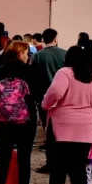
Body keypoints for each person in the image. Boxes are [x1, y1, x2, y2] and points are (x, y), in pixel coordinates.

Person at [42, 46, 92, 184]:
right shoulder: (91, 77)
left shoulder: (65, 73)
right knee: (78, 170)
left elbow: (55, 92)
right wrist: (88, 115)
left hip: (62, 128)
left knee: (58, 169)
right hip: (85, 130)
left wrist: (46, 105)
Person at [0, 41, 38, 184]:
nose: (28, 57)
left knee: (3, 158)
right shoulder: (30, 72)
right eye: (26, 53)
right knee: (24, 159)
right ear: (20, 54)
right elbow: (35, 97)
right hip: (26, 122)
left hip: (3, 122)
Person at [31, 28, 66, 174]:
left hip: (45, 98)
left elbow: (34, 78)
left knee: (49, 133)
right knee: (63, 134)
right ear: (56, 38)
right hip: (64, 99)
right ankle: (63, 163)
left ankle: (51, 163)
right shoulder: (64, 54)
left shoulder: (38, 56)